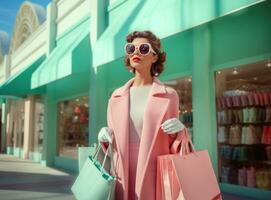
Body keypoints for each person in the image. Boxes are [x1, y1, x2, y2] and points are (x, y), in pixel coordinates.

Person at [98, 30, 185, 200]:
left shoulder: (169, 95)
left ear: (155, 57)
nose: (136, 52)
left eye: (143, 48)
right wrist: (104, 137)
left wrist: (181, 131)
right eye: (131, 48)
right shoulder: (116, 96)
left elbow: (173, 144)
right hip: (121, 170)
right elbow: (112, 140)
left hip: (154, 170)